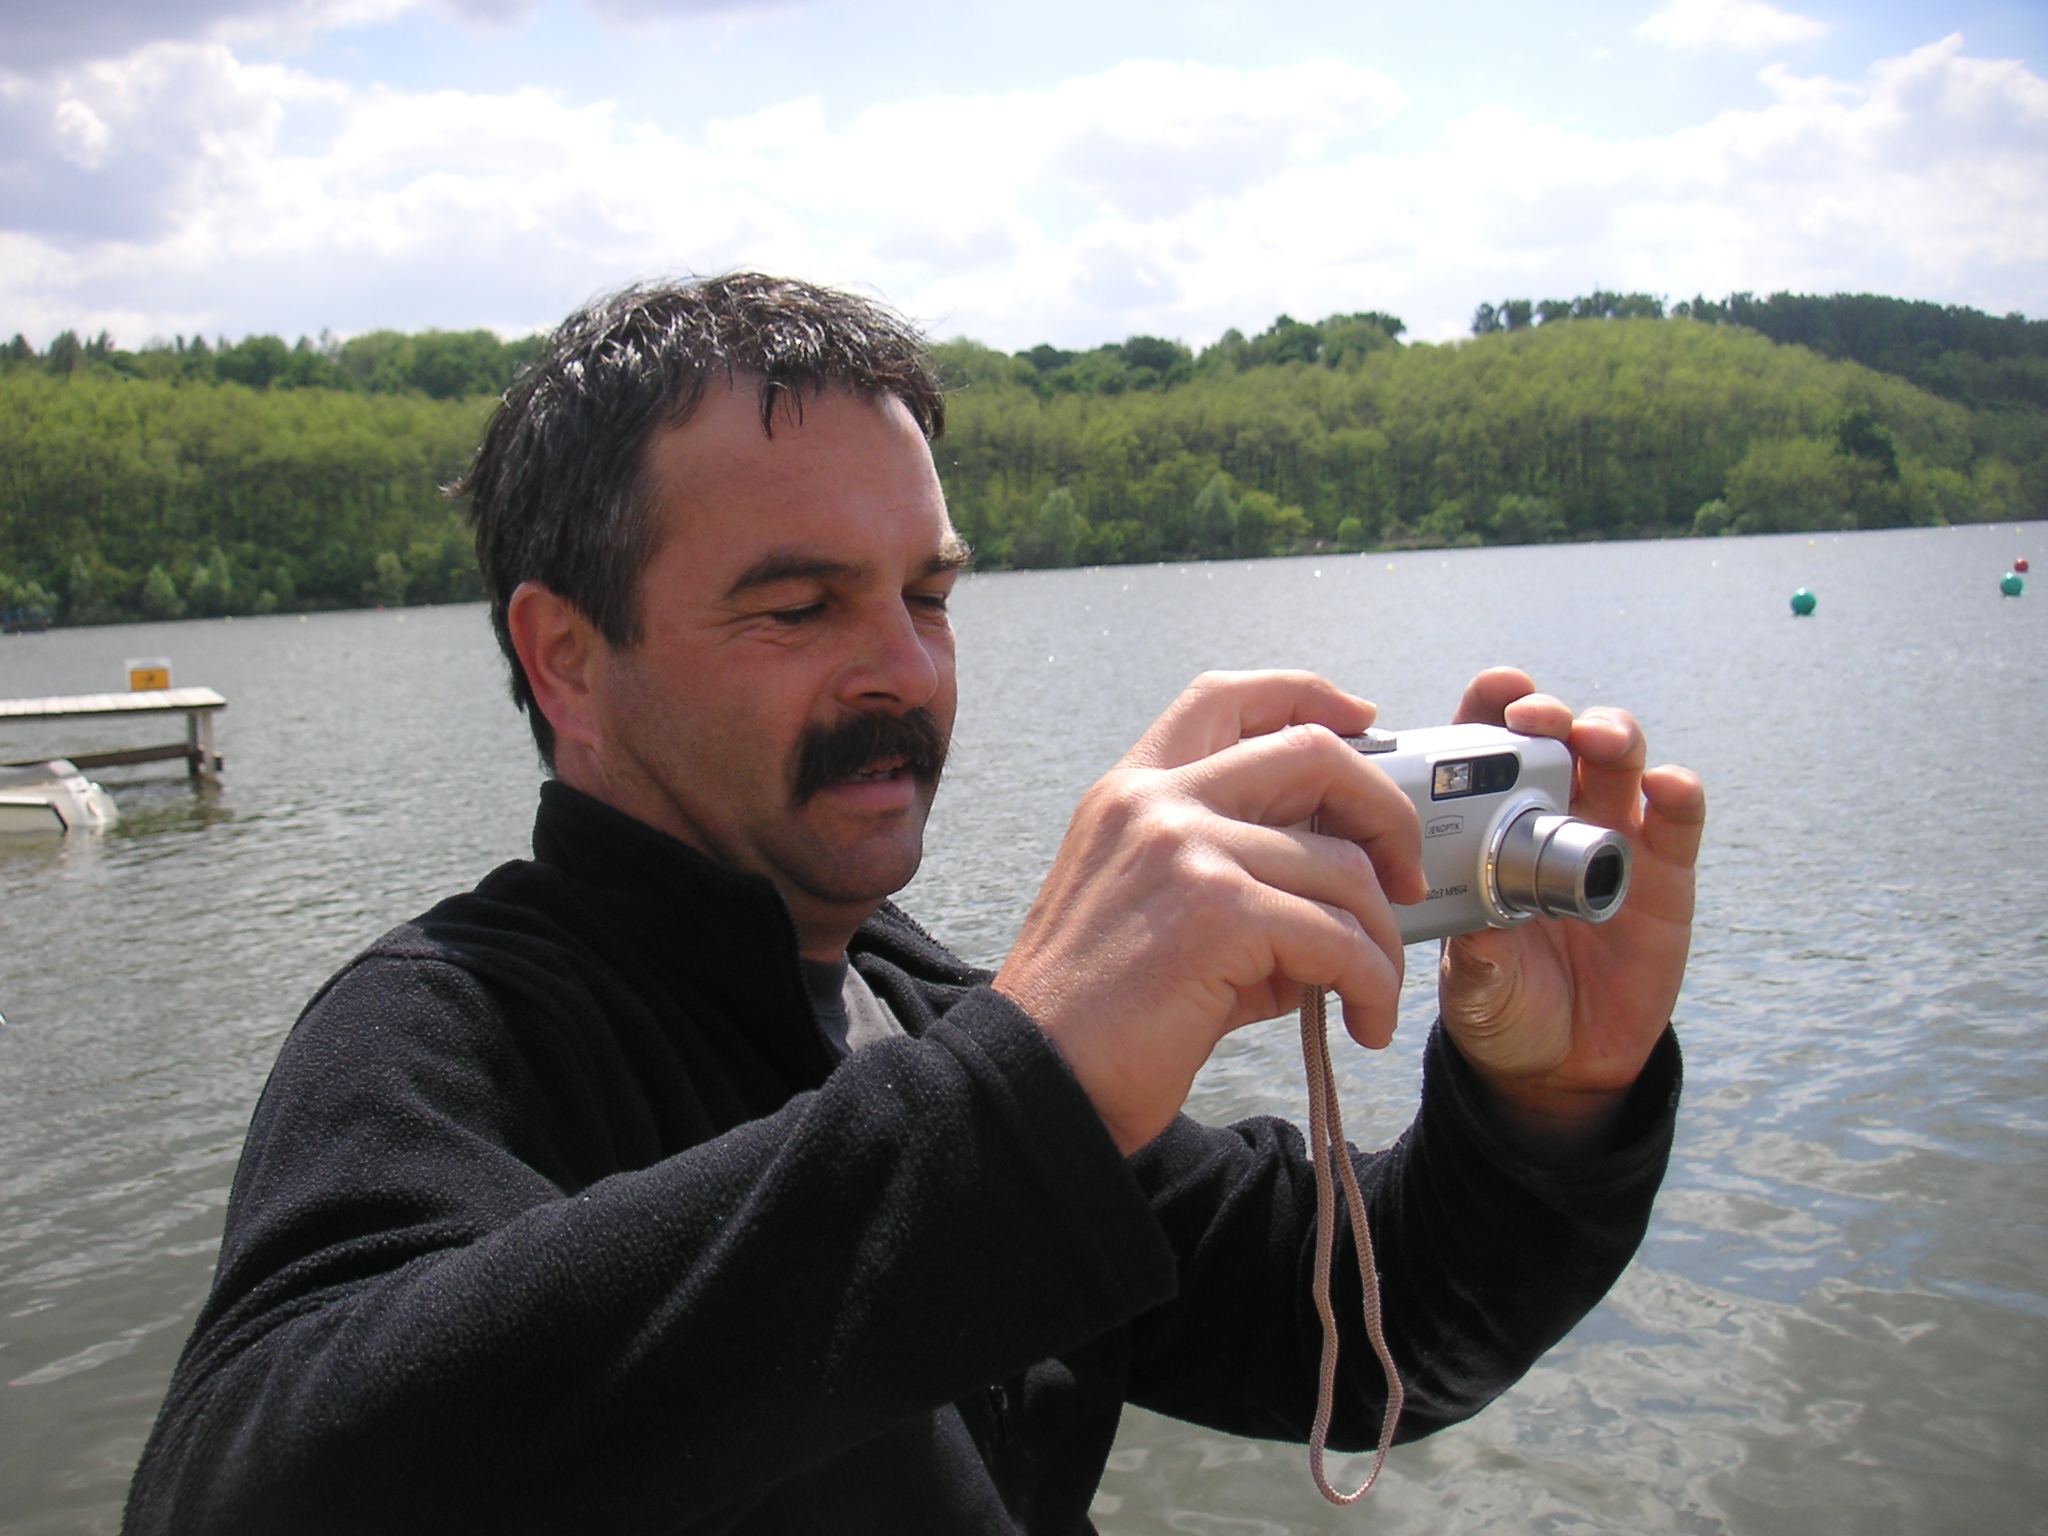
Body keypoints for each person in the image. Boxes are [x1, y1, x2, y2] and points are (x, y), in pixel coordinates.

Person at [123, 275, 1704, 1535]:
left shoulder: (908, 1004)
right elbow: (253, 1488)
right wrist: (1024, 1088)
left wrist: (1551, 1106)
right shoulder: (440, 1034)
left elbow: (1365, 1341)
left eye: (928, 594)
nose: (903, 669)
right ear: (567, 659)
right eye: (799, 605)